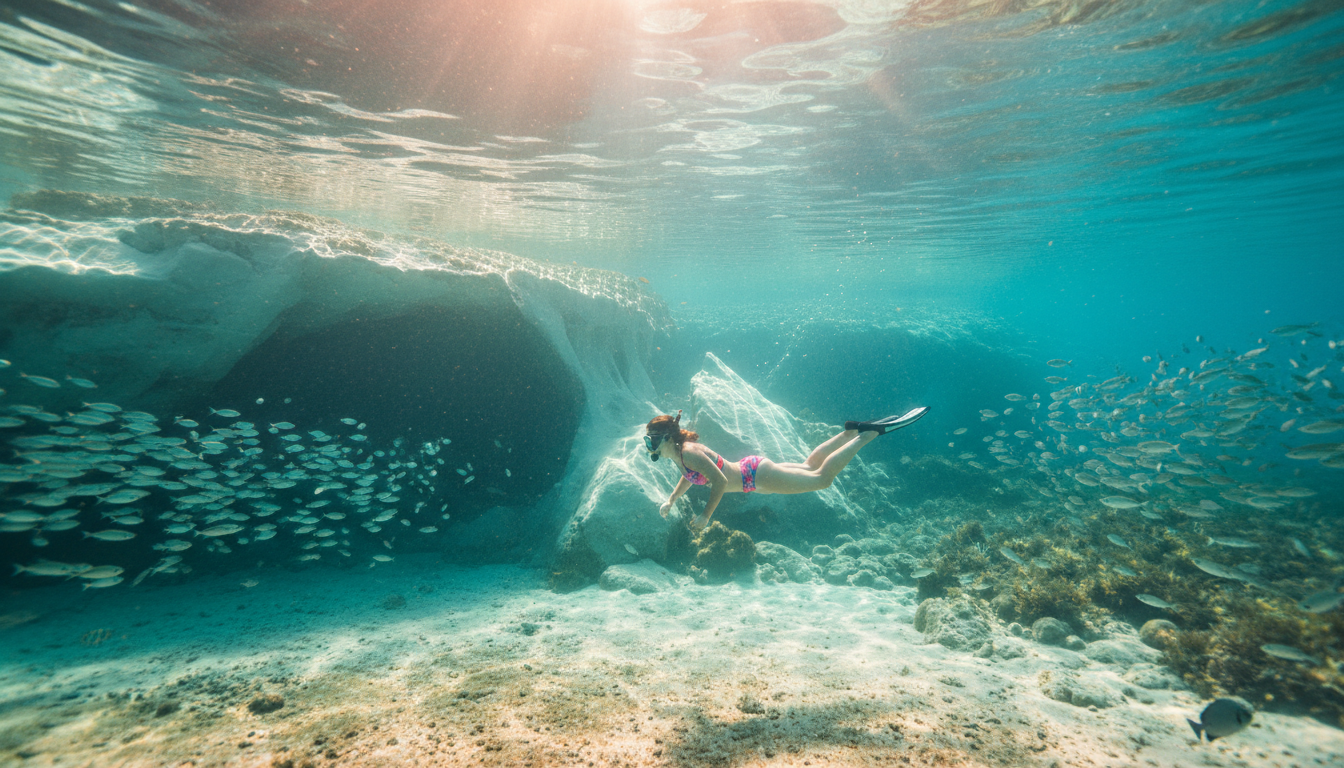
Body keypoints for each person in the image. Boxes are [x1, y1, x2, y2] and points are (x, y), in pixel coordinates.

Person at [644, 408, 929, 531]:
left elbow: (718, 482)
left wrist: (706, 515)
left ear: (667, 438)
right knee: (809, 465)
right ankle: (851, 432)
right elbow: (688, 479)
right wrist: (672, 500)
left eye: (651, 439)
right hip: (753, 472)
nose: (648, 444)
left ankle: (868, 434)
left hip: (754, 476)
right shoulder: (679, 456)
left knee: (822, 479)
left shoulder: (689, 453)